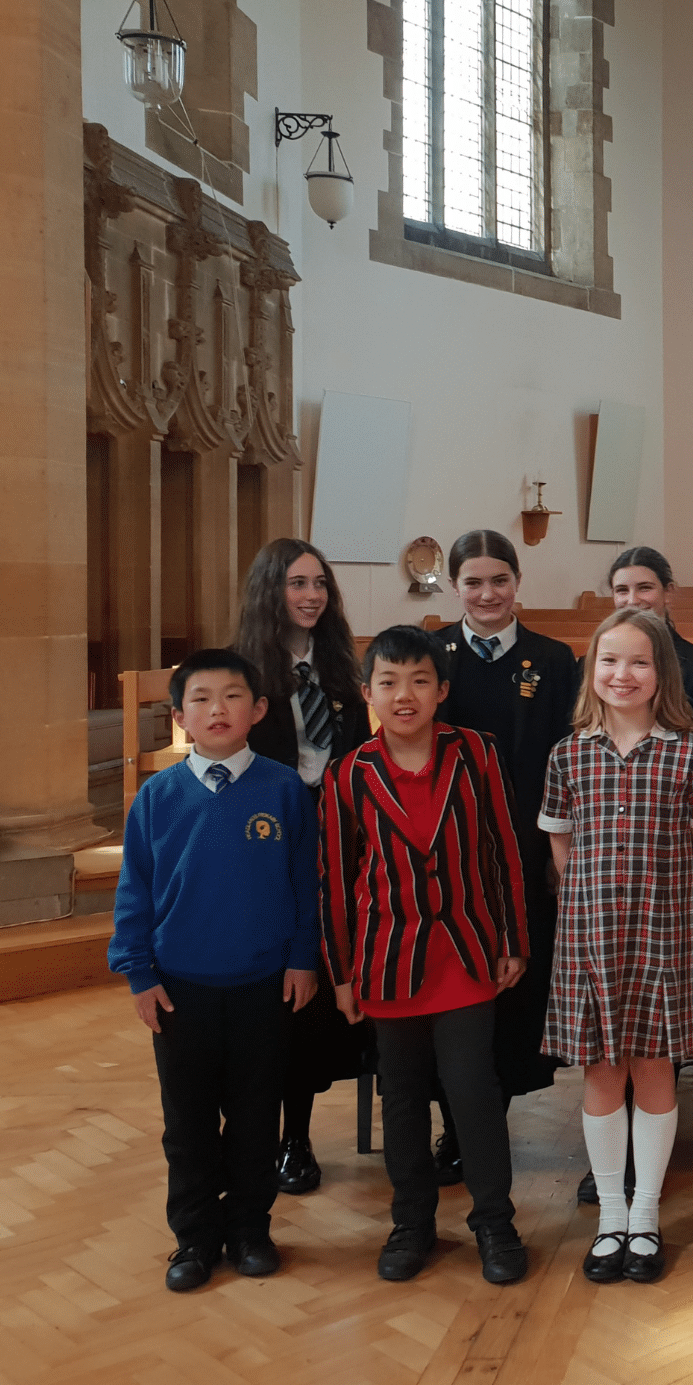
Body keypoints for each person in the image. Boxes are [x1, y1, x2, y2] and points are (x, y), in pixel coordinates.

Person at [320, 627, 531, 1286]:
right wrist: (343, 972)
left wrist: (512, 940)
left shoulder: (477, 754)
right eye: (388, 682)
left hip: (466, 957)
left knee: (473, 1094)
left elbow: (505, 851)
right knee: (403, 1100)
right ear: (368, 693)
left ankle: (494, 1221)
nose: (403, 695)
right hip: (387, 961)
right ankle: (412, 1223)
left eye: (418, 681)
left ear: (441, 691)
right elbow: (333, 878)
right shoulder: (348, 775)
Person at [109, 650, 320, 1292]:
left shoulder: (283, 789)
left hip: (263, 986)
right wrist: (139, 973)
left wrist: (303, 958)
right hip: (181, 991)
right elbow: (135, 892)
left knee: (258, 1116)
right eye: (201, 699)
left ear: (258, 710)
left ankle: (251, 1230)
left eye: (232, 697)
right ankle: (195, 1238)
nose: (217, 709)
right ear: (179, 717)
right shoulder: (156, 797)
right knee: (189, 1124)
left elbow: (306, 884)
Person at [539, 609, 693, 1286]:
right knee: (600, 1072)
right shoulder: (569, 753)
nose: (623, 674)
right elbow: (559, 840)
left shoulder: (689, 751)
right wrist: (592, 892)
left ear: (661, 674)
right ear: (593, 671)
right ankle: (610, 1215)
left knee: (653, 1069)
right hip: (590, 932)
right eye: (609, 661)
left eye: (639, 662)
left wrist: (673, 899)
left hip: (662, 929)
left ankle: (645, 1215)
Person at [429, 531, 577, 1183]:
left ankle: (493, 1114)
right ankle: (454, 1126)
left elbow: (565, 761)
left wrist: (556, 849)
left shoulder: (554, 658)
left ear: (517, 582)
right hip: (446, 853)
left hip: (526, 847)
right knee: (449, 985)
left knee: (515, 984)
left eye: (499, 580)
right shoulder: (435, 656)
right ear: (454, 587)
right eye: (473, 583)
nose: (487, 594)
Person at [231, 538, 372, 1196]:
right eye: (297, 583)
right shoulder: (245, 672)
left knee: (312, 993)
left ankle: (298, 1136)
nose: (311, 595)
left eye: (320, 583)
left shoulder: (341, 668)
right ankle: (254, 1134)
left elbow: (358, 761)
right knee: (268, 996)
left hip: (334, 846)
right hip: (266, 846)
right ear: (271, 591)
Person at [609, 545, 693, 738]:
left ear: (668, 592)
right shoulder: (591, 664)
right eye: (622, 590)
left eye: (644, 588)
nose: (632, 600)